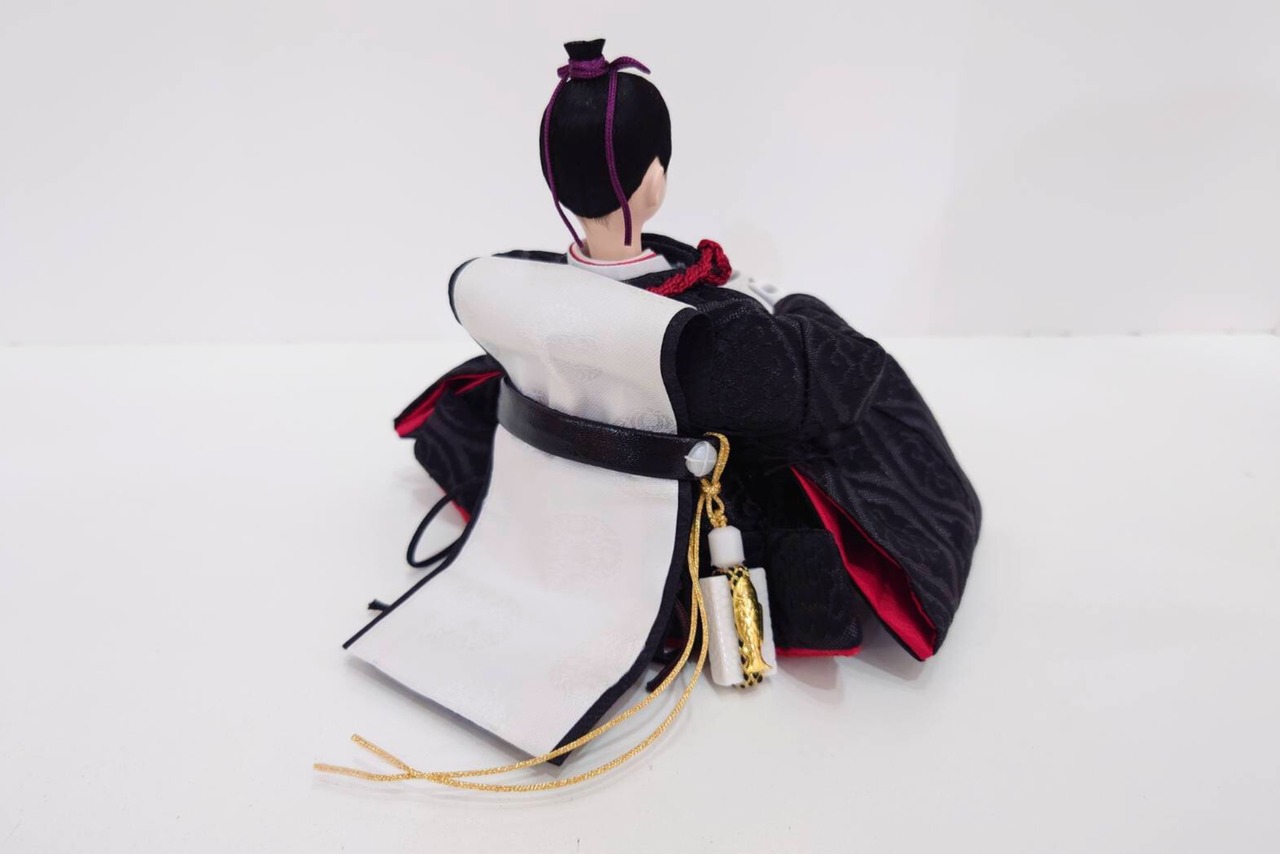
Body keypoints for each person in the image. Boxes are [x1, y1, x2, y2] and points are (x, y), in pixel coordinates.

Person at [329, 38, 981, 785]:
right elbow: (847, 376)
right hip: (683, 525)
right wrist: (795, 308)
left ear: (555, 180)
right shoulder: (710, 337)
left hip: (543, 498)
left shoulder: (507, 287)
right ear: (653, 178)